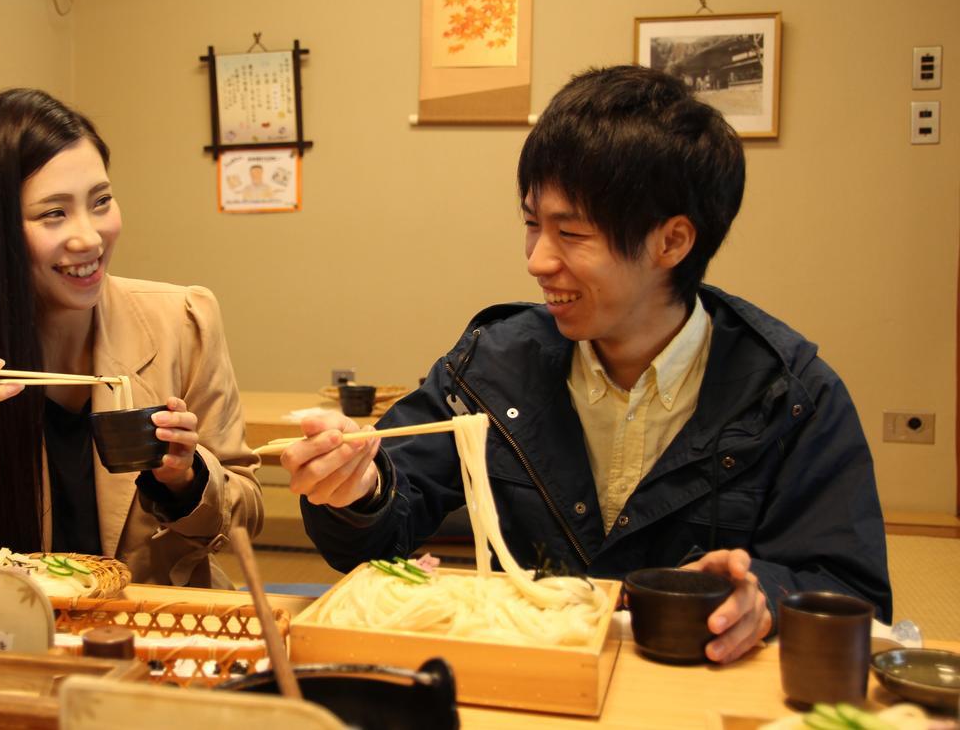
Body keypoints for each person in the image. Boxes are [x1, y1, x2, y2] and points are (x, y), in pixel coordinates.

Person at [283, 66, 891, 663]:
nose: (538, 261)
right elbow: (389, 514)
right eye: (531, 224)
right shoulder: (494, 363)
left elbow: (851, 590)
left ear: (672, 242)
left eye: (571, 233)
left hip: (689, 687)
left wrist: (766, 596)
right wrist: (358, 490)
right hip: (528, 676)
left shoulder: (787, 394)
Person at [0, 88, 263, 587]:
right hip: (16, 636)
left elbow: (246, 516)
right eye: (53, 213)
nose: (90, 238)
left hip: (158, 629)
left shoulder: (183, 320)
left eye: (101, 202)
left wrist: (186, 478)